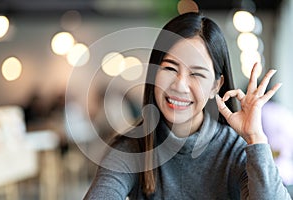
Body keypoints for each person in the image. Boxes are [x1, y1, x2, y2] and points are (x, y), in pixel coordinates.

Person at [84, 12, 292, 199]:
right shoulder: (132, 149)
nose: (180, 86)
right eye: (170, 68)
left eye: (197, 74)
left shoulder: (234, 151)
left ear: (215, 86)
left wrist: (255, 138)